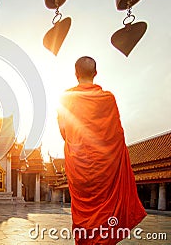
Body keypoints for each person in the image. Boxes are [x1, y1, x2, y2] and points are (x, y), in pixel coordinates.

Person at [57, 56, 146, 244]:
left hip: (79, 165)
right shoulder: (108, 98)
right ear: (95, 73)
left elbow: (64, 131)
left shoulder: (66, 99)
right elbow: (117, 134)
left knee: (83, 213)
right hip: (105, 167)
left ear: (75, 73)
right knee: (106, 214)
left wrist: (80, 147)